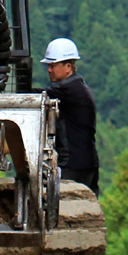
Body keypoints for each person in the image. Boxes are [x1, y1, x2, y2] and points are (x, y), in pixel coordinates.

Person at [41, 37, 100, 194]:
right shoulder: (77, 86)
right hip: (87, 162)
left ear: (68, 67)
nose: (49, 69)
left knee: (65, 206)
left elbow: (36, 96)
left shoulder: (67, 89)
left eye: (53, 65)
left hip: (74, 165)